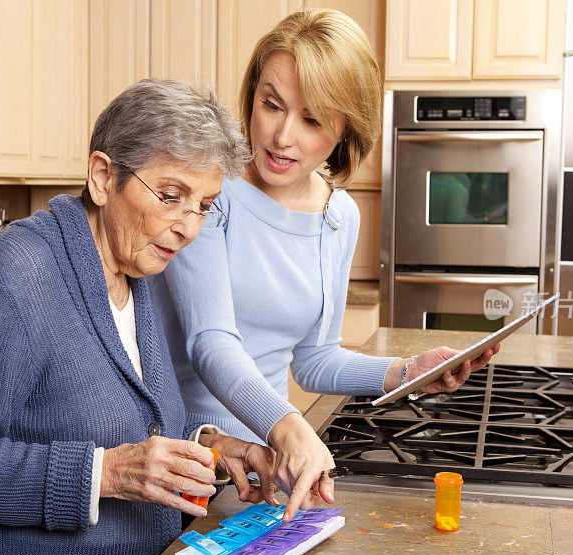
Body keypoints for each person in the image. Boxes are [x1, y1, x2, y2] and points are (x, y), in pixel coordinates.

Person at [0, 79, 274, 555]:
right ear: (103, 177)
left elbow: (122, 426)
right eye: (171, 197)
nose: (189, 227)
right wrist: (102, 474)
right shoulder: (15, 275)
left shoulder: (134, 270)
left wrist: (213, 450)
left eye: (205, 205)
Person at [152, 8, 499, 523]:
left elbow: (313, 359)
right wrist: (290, 427)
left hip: (263, 471)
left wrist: (405, 373)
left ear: (344, 129)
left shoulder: (339, 217)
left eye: (312, 119)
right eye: (271, 105)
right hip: (186, 457)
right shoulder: (210, 190)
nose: (281, 135)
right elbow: (211, 343)